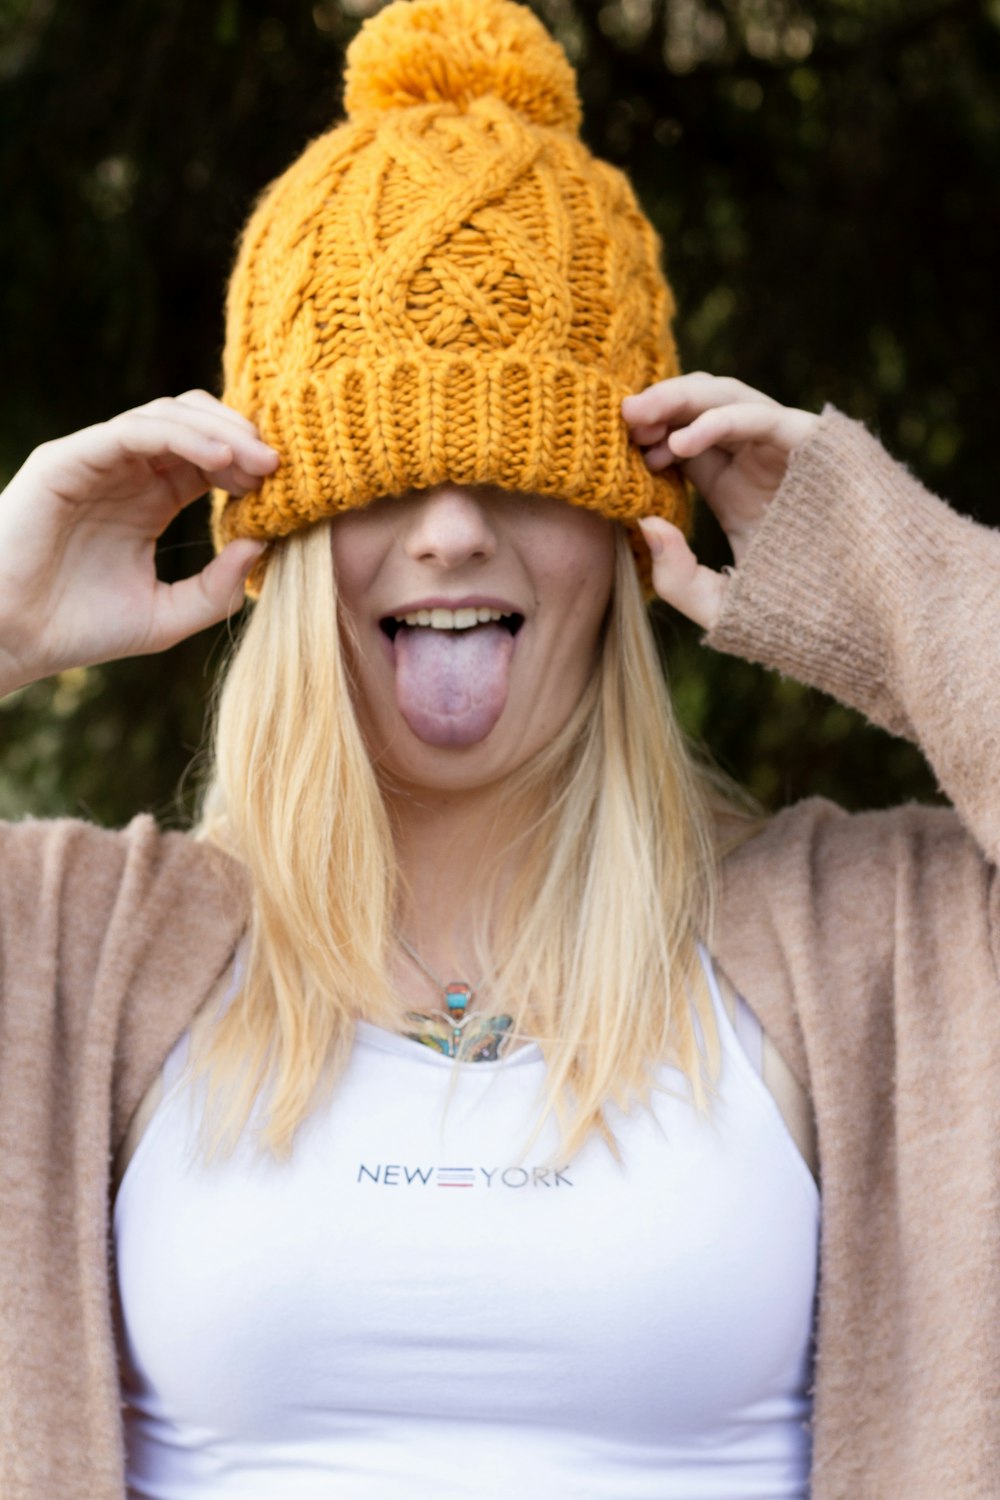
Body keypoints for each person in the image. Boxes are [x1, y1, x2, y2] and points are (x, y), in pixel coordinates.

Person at [1, 0, 998, 1496]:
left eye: (522, 473)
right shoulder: (76, 953)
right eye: (388, 478)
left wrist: (880, 578)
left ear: (617, 531)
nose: (453, 531)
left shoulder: (881, 947)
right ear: (287, 531)